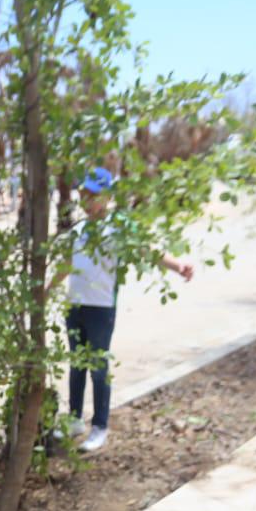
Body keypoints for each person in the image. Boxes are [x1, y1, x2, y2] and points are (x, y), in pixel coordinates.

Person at [57, 167, 194, 454]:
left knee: (98, 368)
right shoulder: (80, 229)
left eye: (93, 194)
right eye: (84, 194)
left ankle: (99, 426)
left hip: (101, 308)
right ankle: (74, 419)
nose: (87, 200)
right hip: (75, 306)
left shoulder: (119, 226)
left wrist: (177, 265)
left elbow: (148, 249)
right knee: (77, 365)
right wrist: (46, 291)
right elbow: (67, 264)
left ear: (107, 196)